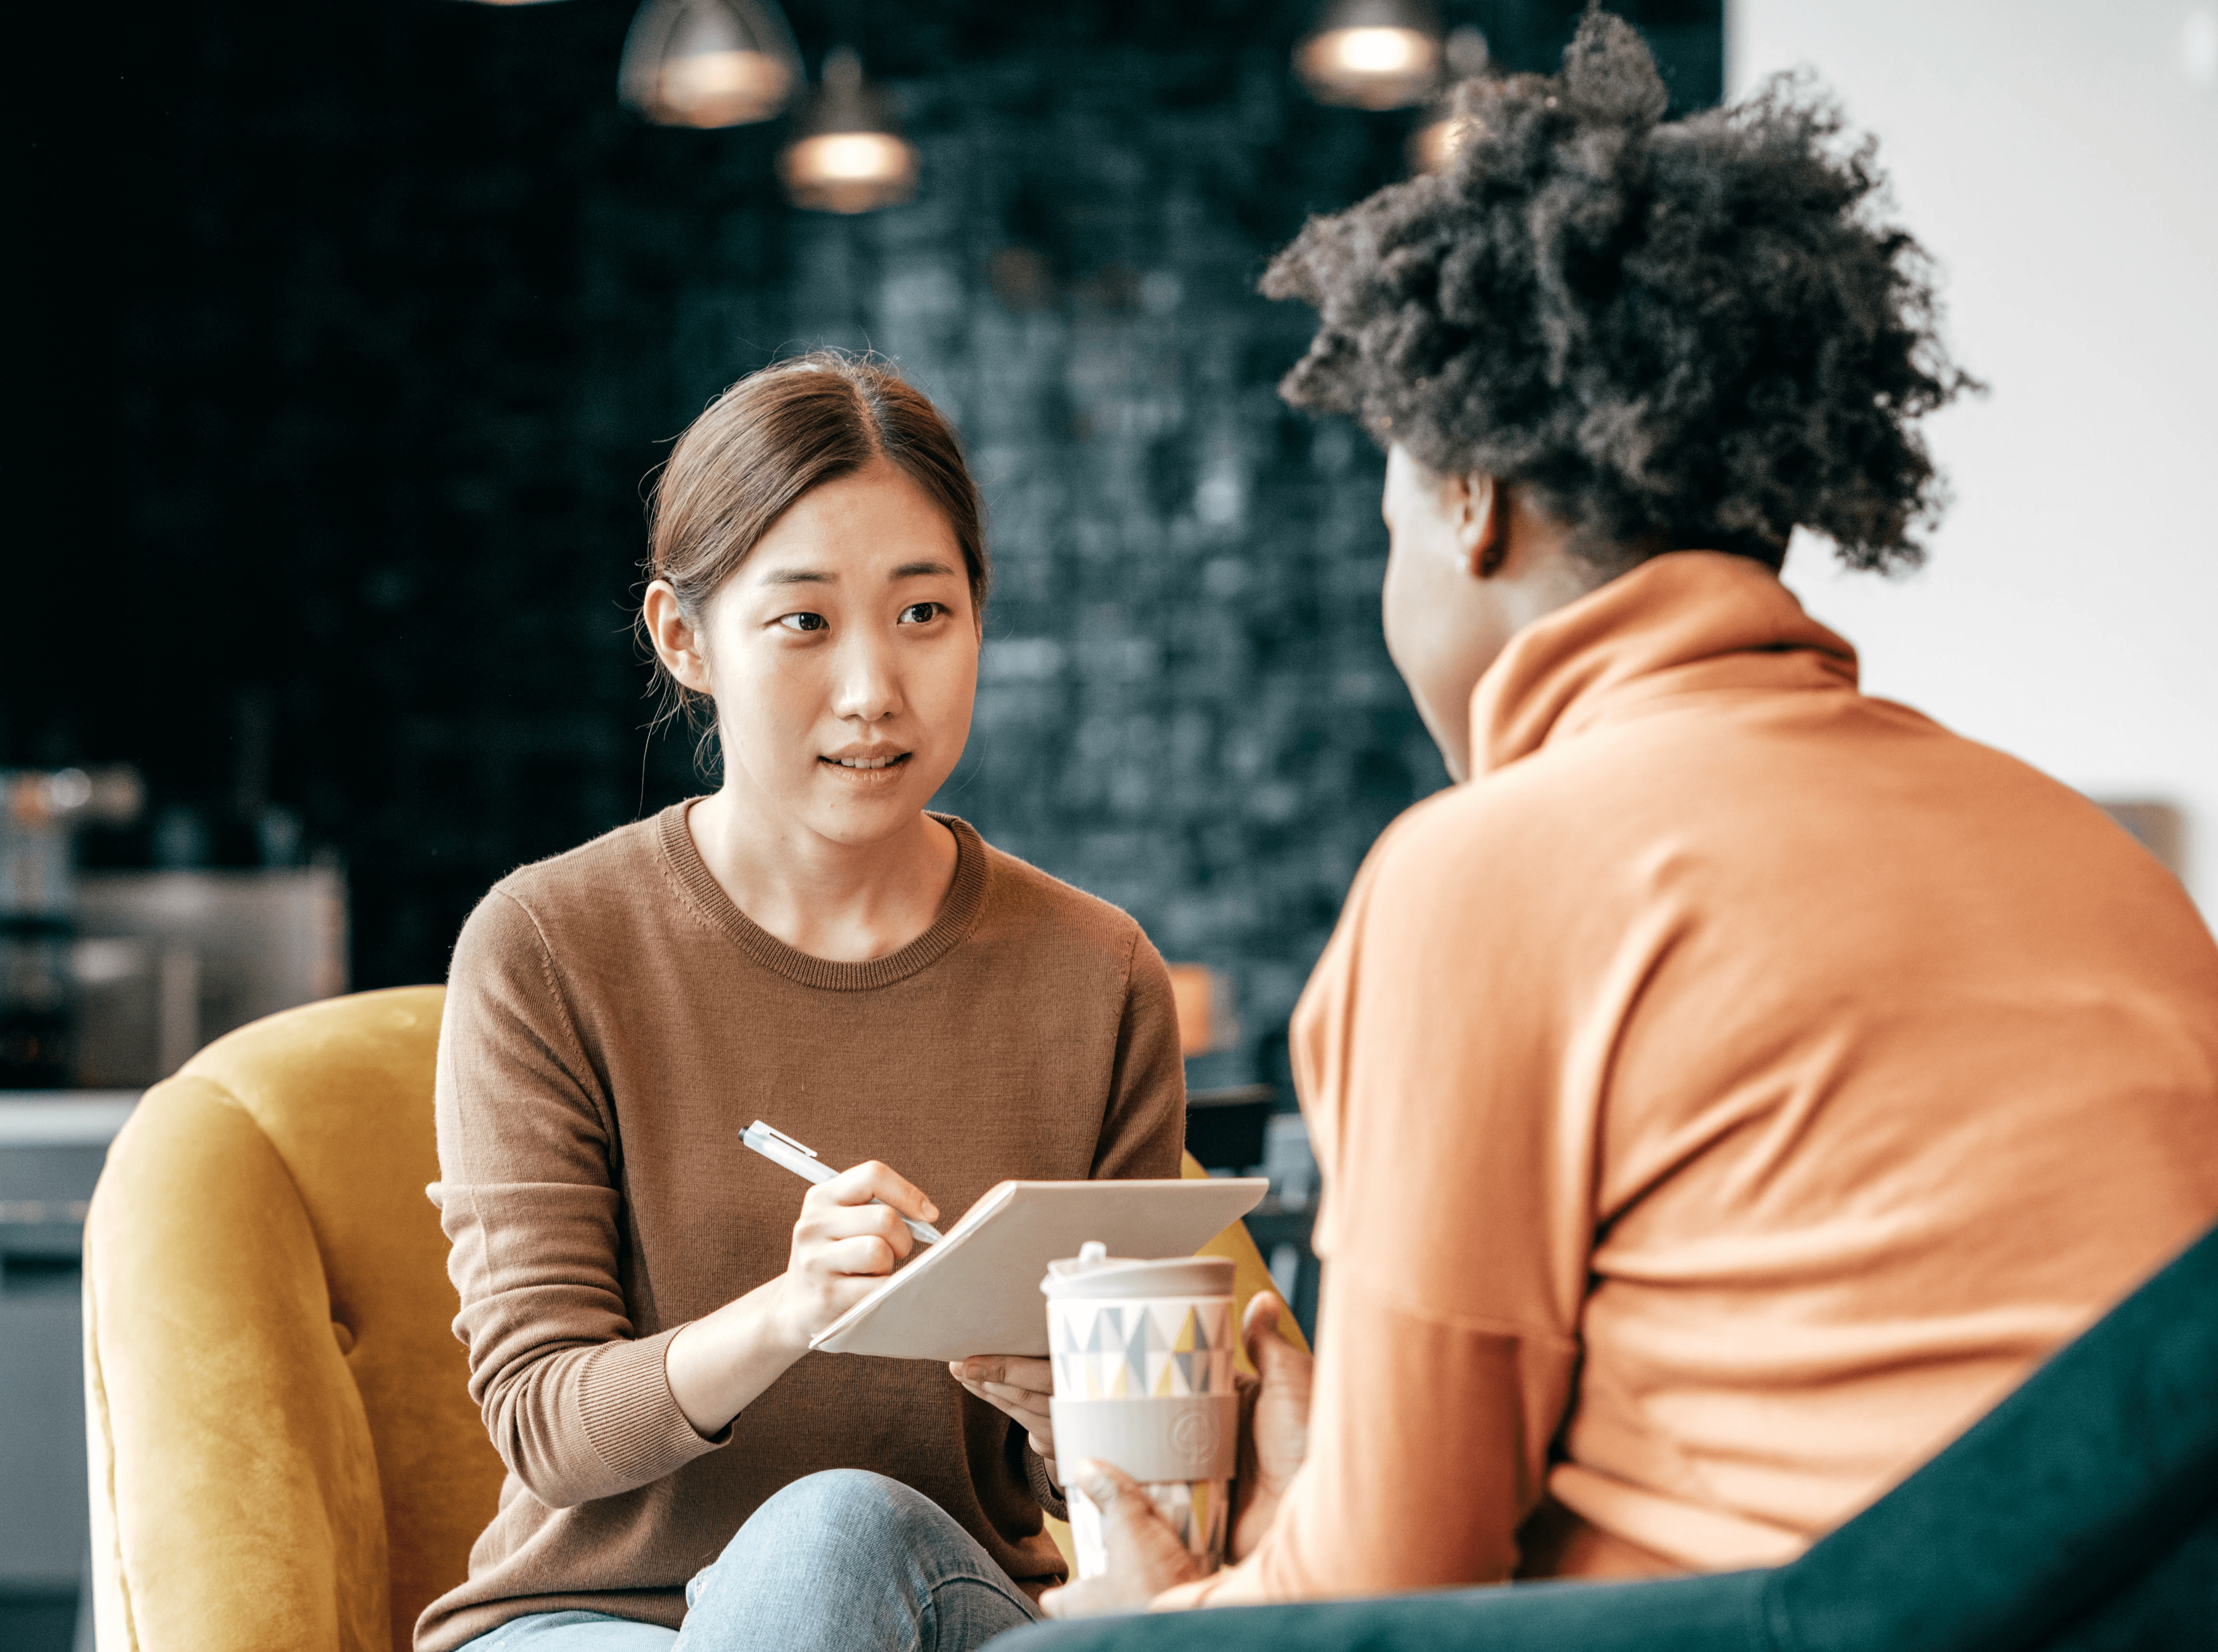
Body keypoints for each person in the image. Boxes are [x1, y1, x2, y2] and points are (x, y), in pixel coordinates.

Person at [1042, 12, 2218, 1618]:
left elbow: (1391, 1590)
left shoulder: (1485, 871)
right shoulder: (2097, 863)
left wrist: (1146, 1615)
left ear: (1467, 502)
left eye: (1391, 514)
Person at [417, 354, 1187, 1652]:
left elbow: (1141, 1487)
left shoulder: (1097, 969)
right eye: (803, 622)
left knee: (845, 1541)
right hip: (590, 1623)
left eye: (924, 615)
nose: (872, 689)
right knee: (820, 1540)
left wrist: (1084, 1416)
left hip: (939, 1604)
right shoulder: (548, 943)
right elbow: (544, 1422)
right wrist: (794, 1313)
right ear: (683, 638)